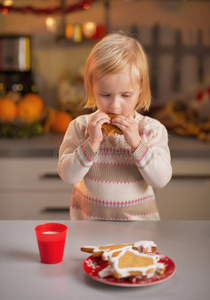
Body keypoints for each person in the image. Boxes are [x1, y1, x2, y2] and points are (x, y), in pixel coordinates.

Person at [58, 31, 172, 221]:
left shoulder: (152, 130)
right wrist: (92, 143)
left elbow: (160, 180)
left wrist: (137, 143)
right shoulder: (80, 127)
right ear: (91, 88)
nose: (115, 105)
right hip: (89, 226)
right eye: (105, 94)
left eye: (126, 95)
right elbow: (68, 176)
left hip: (139, 229)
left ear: (141, 88)